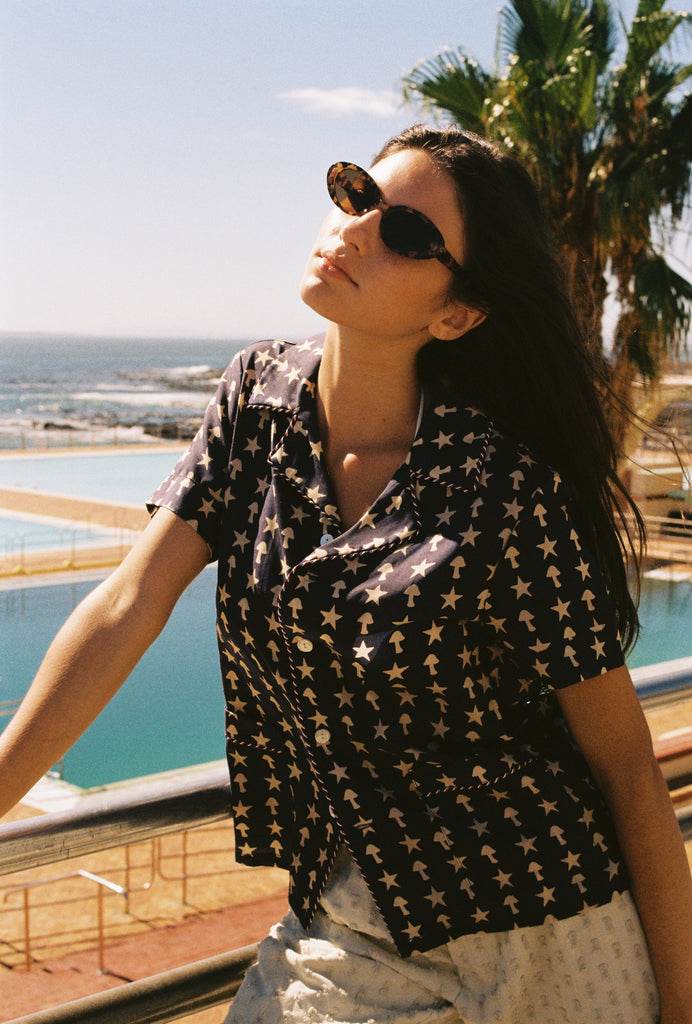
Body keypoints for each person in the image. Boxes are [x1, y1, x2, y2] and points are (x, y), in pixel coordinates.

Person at [1, 124, 691, 1023]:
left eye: (405, 233)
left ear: (457, 314)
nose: (357, 229)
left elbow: (626, 767)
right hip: (351, 926)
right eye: (359, 196)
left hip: (549, 933)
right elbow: (129, 604)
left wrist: (684, 1004)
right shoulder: (255, 401)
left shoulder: (501, 489)